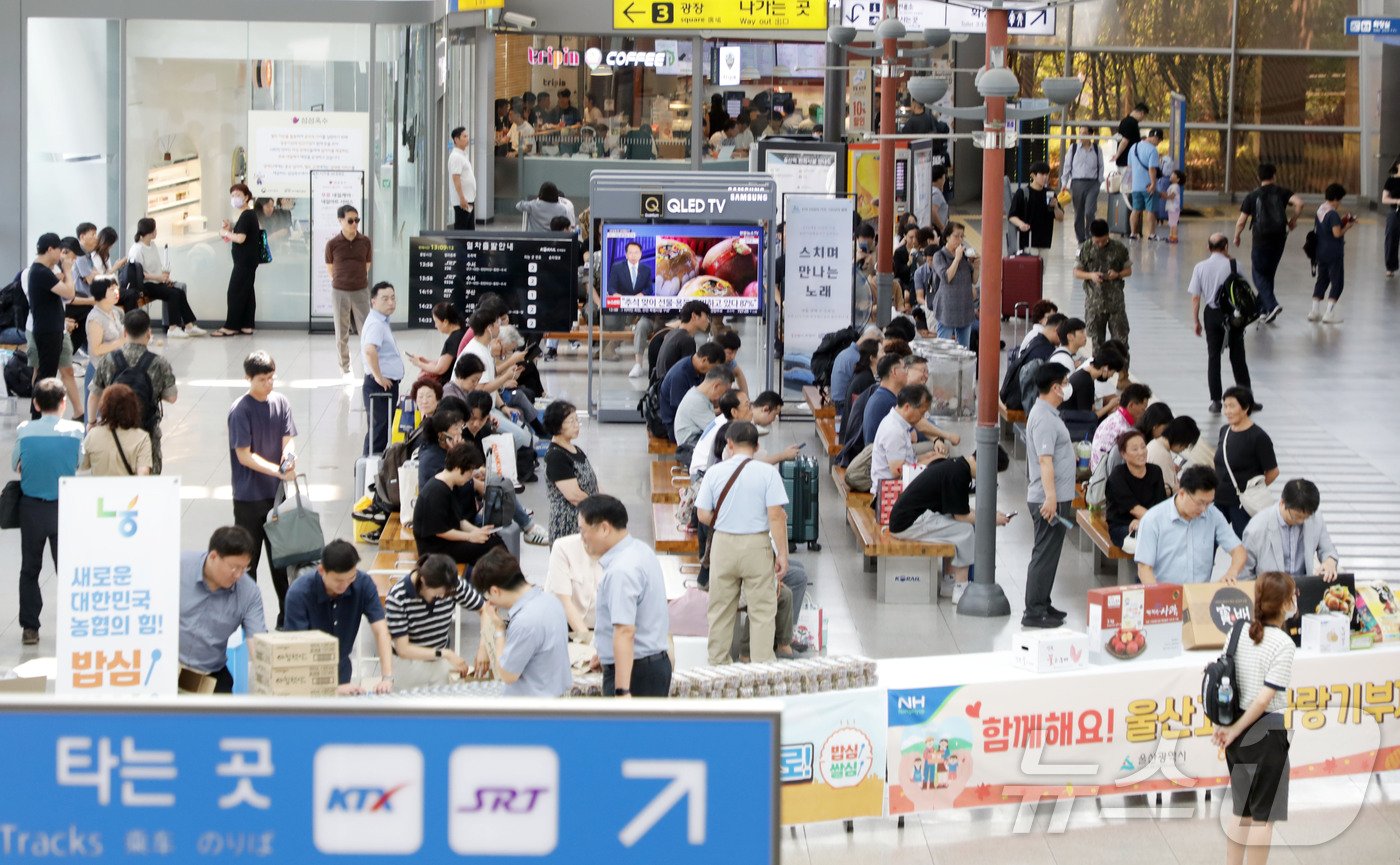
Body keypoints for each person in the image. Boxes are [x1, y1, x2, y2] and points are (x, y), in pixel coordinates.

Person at [1213, 569, 1297, 865]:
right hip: (1266, 736)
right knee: (1264, 817)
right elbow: (1265, 699)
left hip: (1237, 738)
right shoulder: (1283, 644)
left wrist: (1228, 728)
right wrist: (1234, 729)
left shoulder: (1237, 631)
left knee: (1243, 812)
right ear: (1286, 603)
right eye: (1294, 595)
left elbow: (1223, 679)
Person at [696, 421, 789, 665]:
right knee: (762, 611)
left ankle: (717, 668)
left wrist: (724, 518)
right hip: (756, 545)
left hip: (723, 545)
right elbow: (776, 515)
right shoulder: (767, 473)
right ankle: (760, 668)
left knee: (720, 610)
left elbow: (702, 514)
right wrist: (782, 555)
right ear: (757, 446)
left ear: (729, 443)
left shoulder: (715, 472)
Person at [889, 447, 1011, 605]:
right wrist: (991, 519)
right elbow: (962, 517)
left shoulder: (956, 466)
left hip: (907, 519)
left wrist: (992, 515)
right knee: (965, 531)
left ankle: (949, 583)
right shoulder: (959, 474)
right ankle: (960, 588)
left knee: (956, 527)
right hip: (908, 524)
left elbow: (959, 510)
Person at [228, 350, 298, 625]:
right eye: (262, 379)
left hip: (278, 497)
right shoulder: (240, 410)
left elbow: (288, 439)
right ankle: (250, 620)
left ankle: (287, 616)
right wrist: (277, 471)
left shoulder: (280, 402)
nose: (268, 384)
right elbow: (243, 455)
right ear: (248, 378)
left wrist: (289, 458)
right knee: (248, 562)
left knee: (282, 561)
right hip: (249, 498)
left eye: (271, 378)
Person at [578, 495, 672, 698]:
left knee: (628, 730)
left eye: (583, 530)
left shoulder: (621, 570)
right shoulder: (640, 550)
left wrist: (622, 690)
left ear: (604, 528)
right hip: (651, 665)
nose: (582, 538)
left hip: (635, 675)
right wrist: (606, 655)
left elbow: (625, 631)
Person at [12, 378, 84, 645]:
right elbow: (78, 462)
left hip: (31, 508)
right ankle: (73, 623)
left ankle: (30, 628)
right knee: (67, 569)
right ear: (64, 403)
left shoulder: (24, 430)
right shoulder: (76, 431)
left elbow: (16, 464)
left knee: (30, 569)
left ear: (35, 403)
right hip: (64, 506)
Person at [283, 540, 395, 695]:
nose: (344, 585)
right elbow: (296, 651)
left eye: (350, 578)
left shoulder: (363, 584)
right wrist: (331, 689)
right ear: (321, 570)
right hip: (306, 677)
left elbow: (381, 631)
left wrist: (387, 677)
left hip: (342, 671)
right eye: (338, 580)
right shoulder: (299, 593)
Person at [472, 548, 573, 698]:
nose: (489, 602)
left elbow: (507, 674)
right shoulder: (550, 601)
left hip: (530, 709)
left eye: (487, 596)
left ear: (494, 591)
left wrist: (499, 630)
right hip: (554, 696)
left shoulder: (525, 621)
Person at [178, 527, 267, 693]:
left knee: (225, 714)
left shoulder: (248, 592)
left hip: (209, 673)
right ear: (213, 556)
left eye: (244, 568)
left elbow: (257, 640)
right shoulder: (178, 568)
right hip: (166, 665)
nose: (239, 575)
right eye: (234, 567)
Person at [383, 553, 488, 690]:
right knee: (407, 707)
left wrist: (483, 647)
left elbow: (485, 609)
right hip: (408, 663)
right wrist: (445, 654)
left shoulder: (451, 584)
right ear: (424, 581)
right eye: (438, 594)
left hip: (440, 661)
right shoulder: (397, 597)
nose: (443, 597)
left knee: (441, 706)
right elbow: (403, 649)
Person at [91, 310, 178, 474]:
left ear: (124, 332)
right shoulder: (159, 362)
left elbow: (95, 393)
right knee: (146, 482)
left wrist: (91, 422)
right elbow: (172, 397)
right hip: (146, 430)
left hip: (112, 431)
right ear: (149, 333)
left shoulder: (109, 359)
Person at [1023, 365, 1076, 628]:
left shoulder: (1048, 413)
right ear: (1055, 387)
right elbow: (1045, 461)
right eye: (1065, 382)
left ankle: (1043, 602)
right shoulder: (1043, 418)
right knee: (1044, 553)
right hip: (1048, 499)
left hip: (1056, 496)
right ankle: (1033, 610)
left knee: (1051, 553)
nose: (1067, 386)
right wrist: (1051, 497)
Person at [1135, 466, 1246, 585]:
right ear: (1182, 493)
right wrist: (1160, 598)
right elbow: (1144, 569)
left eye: (1209, 503)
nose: (1203, 509)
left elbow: (1238, 550)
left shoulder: (1213, 514)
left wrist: (1231, 572)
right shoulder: (1153, 519)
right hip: (1166, 595)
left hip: (1198, 594)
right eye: (1200, 503)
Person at [1234, 163, 1306, 322]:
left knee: (1258, 274)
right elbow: (1299, 203)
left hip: (1261, 239)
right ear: (1274, 176)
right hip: (1279, 238)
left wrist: (1236, 236)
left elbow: (1241, 221)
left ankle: (1272, 305)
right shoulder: (1282, 192)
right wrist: (1293, 220)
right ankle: (1263, 310)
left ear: (1259, 177)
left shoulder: (1252, 196)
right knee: (1268, 275)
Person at [414, 442, 506, 566]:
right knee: (492, 547)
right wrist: (470, 536)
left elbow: (459, 520)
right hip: (436, 550)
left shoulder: (450, 486)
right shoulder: (436, 492)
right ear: (458, 468)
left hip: (447, 543)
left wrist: (478, 531)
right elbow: (441, 531)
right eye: (470, 471)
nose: (471, 476)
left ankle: (510, 581)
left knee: (493, 540)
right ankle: (512, 582)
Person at [1189, 233, 1252, 412]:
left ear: (1208, 248)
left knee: (1213, 357)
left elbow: (1195, 298)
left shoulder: (1200, 267)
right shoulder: (1235, 265)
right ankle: (1247, 399)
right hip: (1233, 316)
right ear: (1226, 247)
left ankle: (1216, 401)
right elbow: (1245, 289)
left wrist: (1196, 321)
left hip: (1212, 314)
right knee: (1238, 356)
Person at [24, 235, 78, 420]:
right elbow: (70, 293)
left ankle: (38, 416)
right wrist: (69, 272)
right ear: (50, 249)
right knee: (46, 377)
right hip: (48, 331)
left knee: (45, 375)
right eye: (59, 250)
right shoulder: (40, 272)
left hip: (49, 329)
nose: (60, 255)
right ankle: (38, 417)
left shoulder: (42, 271)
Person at [1242, 479, 1339, 581]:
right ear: (1282, 503)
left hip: (1303, 587)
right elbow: (1244, 573)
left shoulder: (1315, 517)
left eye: (1306, 517)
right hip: (1271, 591)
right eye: (1297, 516)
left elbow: (1328, 549)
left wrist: (1330, 561)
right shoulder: (1256, 528)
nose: (1301, 521)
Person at [124, 218, 206, 337]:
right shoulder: (137, 249)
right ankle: (172, 328)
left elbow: (156, 266)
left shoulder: (152, 245)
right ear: (150, 231)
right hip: (145, 285)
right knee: (173, 294)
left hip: (156, 282)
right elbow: (140, 275)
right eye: (155, 229)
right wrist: (159, 278)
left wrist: (164, 277)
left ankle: (189, 326)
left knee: (179, 292)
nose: (156, 231)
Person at [1215, 386, 1279, 536]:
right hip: (1219, 501)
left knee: (1246, 545)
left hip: (1242, 505)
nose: (1227, 411)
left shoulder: (1258, 437)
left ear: (1245, 408)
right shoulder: (1225, 431)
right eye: (1225, 406)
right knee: (1209, 542)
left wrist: (1252, 491)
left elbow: (1273, 471)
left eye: (1232, 406)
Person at [324, 204, 373, 375]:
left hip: (361, 290)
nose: (354, 224)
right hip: (340, 291)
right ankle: (345, 368)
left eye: (357, 220)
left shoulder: (365, 242)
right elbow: (330, 268)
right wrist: (342, 281)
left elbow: (367, 265)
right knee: (341, 332)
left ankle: (370, 366)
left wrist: (356, 279)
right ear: (340, 221)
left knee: (366, 331)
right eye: (350, 220)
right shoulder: (332, 244)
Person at [543, 400, 600, 544]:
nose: (576, 425)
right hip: (569, 524)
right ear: (557, 426)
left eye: (577, 420)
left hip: (587, 516)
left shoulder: (576, 449)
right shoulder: (556, 456)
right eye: (571, 421)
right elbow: (574, 496)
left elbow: (593, 481)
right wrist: (601, 508)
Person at [1073, 219, 1134, 350]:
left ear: (1108, 235)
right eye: (1097, 241)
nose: (1100, 244)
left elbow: (1128, 270)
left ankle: (1122, 370)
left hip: (1115, 304)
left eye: (1104, 240)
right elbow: (1076, 272)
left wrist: (1118, 274)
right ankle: (1099, 371)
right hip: (1094, 305)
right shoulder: (1085, 248)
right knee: (1096, 344)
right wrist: (1091, 275)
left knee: (1121, 342)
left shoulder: (1119, 248)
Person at [1105, 430, 1169, 548]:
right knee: (1150, 538)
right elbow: (1134, 509)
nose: (1141, 452)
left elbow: (1161, 505)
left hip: (1149, 523)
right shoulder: (1118, 475)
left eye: (1143, 447)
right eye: (1135, 449)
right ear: (1123, 454)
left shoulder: (1155, 471)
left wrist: (1145, 523)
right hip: (1123, 526)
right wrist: (1152, 523)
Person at [361, 281, 404, 456]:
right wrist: (378, 377)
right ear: (373, 301)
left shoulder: (381, 321)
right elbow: (370, 350)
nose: (391, 303)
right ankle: (369, 469)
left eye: (393, 298)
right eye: (385, 299)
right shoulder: (376, 324)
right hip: (380, 387)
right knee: (378, 431)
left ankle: (373, 467)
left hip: (384, 385)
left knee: (382, 428)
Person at [214, 182, 262, 336]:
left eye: (238, 195)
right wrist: (231, 228)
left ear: (246, 197)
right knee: (247, 292)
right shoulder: (247, 215)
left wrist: (224, 233)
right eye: (232, 195)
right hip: (248, 261)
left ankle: (231, 326)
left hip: (244, 261)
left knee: (234, 291)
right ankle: (247, 325)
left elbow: (241, 238)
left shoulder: (247, 215)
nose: (235, 198)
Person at [1309, 183, 1357, 324]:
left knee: (1322, 279)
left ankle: (1314, 311)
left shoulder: (1320, 209)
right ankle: (1329, 313)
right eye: (1340, 200)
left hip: (1320, 251)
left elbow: (1325, 228)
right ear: (1335, 198)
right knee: (1337, 282)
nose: (1339, 203)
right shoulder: (1333, 214)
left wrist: (1341, 221)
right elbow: (1337, 234)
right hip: (1334, 252)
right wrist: (1347, 226)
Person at [80, 384, 153, 476]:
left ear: (104, 407)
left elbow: (82, 465)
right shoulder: (142, 438)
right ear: (133, 408)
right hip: (128, 489)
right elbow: (143, 472)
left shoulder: (93, 435)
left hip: (100, 489)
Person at [659, 342, 724, 440]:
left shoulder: (696, 368)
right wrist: (717, 411)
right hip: (674, 427)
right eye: (714, 367)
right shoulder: (680, 375)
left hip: (691, 418)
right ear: (704, 360)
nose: (714, 371)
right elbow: (686, 409)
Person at [1060, 347, 1125, 441]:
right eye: (1113, 372)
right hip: (1073, 430)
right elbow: (1088, 417)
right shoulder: (1085, 382)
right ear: (1106, 368)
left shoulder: (1085, 375)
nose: (1111, 376)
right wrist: (1111, 405)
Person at [83, 278, 126, 421]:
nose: (116, 291)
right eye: (111, 288)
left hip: (115, 368)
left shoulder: (116, 311)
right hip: (99, 369)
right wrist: (120, 342)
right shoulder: (95, 318)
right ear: (101, 292)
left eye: (116, 287)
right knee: (97, 416)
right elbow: (95, 349)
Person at [930, 222, 979, 347]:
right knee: (943, 348)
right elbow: (946, 277)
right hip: (947, 308)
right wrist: (956, 259)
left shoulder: (964, 256)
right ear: (947, 237)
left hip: (964, 307)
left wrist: (977, 266)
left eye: (962, 236)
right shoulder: (939, 256)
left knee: (964, 348)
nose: (960, 240)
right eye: (956, 236)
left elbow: (973, 280)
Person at [1090, 383, 1151, 470]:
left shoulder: (1115, 418)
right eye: (1143, 409)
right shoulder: (1124, 429)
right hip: (1106, 476)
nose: (1144, 413)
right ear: (1131, 405)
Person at [1008, 161, 1064, 253]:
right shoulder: (1022, 193)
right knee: (1030, 266)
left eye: (1047, 174)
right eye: (1042, 174)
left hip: (1045, 242)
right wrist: (1021, 224)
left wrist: (1056, 207)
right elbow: (1012, 215)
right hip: (1027, 241)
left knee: (1042, 267)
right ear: (1033, 175)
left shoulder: (1050, 194)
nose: (1045, 177)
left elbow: (1060, 218)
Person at [653, 300, 713, 384]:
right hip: (673, 390)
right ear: (694, 316)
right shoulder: (686, 340)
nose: (708, 321)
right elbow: (688, 373)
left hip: (662, 387)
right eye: (706, 317)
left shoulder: (672, 334)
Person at [673, 367, 734, 445]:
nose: (724, 396)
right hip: (690, 447)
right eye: (725, 391)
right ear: (716, 386)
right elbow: (716, 429)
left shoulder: (698, 394)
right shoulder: (696, 401)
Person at [1064, 127, 1104, 244]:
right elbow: (1067, 166)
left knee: (1089, 212)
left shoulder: (1097, 149)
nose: (1081, 135)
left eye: (1085, 133)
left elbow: (1101, 166)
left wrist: (1099, 181)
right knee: (1079, 213)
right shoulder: (1073, 148)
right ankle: (1081, 238)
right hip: (1077, 183)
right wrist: (1064, 183)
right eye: (1080, 133)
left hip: (1092, 184)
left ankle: (1090, 235)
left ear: (1090, 135)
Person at [406, 303, 466, 380]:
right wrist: (427, 362)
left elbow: (440, 369)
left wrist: (419, 363)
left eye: (436, 322)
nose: (435, 326)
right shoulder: (461, 333)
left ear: (445, 322)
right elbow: (447, 363)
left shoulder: (452, 340)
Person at [1148, 415, 1200, 493]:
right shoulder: (1162, 454)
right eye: (1187, 444)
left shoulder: (1155, 443)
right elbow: (1166, 490)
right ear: (1181, 438)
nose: (1185, 448)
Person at [1127, 129, 1163, 240]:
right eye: (1159, 140)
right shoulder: (1152, 150)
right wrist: (1153, 184)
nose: (1158, 143)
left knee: (1135, 210)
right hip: (1148, 186)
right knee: (1150, 211)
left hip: (1136, 186)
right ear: (1155, 137)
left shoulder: (1134, 147)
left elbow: (1130, 167)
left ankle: (1133, 233)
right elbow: (1152, 169)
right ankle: (1152, 234)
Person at [448, 126, 476, 230]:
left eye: (467, 136)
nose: (467, 138)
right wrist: (462, 198)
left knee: (469, 232)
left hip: (468, 199)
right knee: (462, 230)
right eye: (464, 136)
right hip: (462, 202)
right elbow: (456, 178)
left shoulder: (462, 156)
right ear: (456, 139)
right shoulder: (456, 156)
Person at [1113, 102, 1147, 172]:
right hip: (1127, 162)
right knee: (1128, 183)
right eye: (1144, 117)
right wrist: (1117, 154)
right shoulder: (1131, 123)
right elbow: (1125, 141)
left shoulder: (1125, 121)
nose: (1142, 119)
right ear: (1142, 113)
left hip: (1125, 161)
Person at [1384, 158, 1400, 279]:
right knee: (1391, 239)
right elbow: (1384, 199)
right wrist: (1397, 200)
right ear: (1398, 165)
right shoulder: (1391, 180)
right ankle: (1390, 267)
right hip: (1395, 211)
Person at [1164, 168, 1184, 244]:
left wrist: (1163, 196)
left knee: (1173, 223)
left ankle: (1174, 237)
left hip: (1174, 208)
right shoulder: (1172, 186)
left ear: (1178, 179)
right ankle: (1171, 236)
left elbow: (1172, 196)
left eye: (1173, 175)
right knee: (1171, 223)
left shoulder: (1175, 186)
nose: (1171, 175)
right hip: (1171, 208)